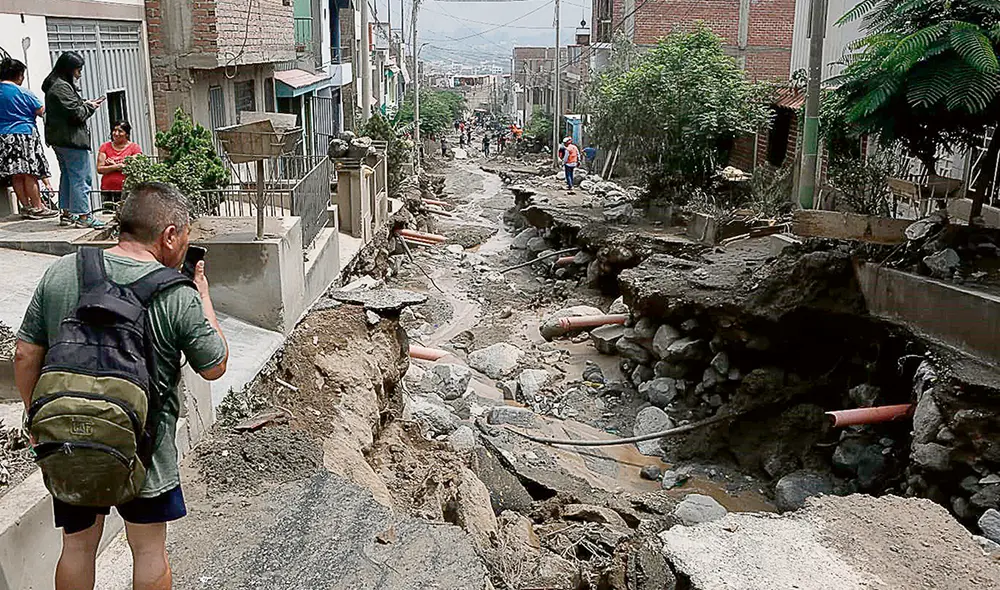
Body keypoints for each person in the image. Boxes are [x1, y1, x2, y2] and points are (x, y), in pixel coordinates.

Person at [14, 181, 228, 590]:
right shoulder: (177, 293)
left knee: (77, 546)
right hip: (144, 449)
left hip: (67, 438)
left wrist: (36, 418)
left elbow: (25, 354)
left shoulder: (63, 272)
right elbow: (215, 365)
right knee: (148, 550)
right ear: (169, 235)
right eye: (186, 236)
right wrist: (202, 295)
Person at [42, 51, 105, 229]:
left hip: (60, 140)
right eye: (78, 70)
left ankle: (67, 213)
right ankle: (84, 216)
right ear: (69, 69)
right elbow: (76, 114)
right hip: (71, 140)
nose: (79, 74)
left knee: (68, 177)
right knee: (81, 178)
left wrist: (84, 103)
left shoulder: (56, 84)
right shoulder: (61, 87)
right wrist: (90, 107)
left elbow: (69, 108)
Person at [0, 57, 57, 219]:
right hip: (24, 135)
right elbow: (42, 112)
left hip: (4, 136)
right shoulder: (24, 93)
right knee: (29, 173)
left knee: (16, 174)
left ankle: (25, 206)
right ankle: (38, 207)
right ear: (18, 75)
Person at [97, 120, 142, 203]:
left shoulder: (134, 148)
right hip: (108, 190)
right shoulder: (105, 147)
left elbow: (132, 168)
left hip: (127, 190)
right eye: (114, 130)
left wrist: (112, 165)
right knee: (108, 210)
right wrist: (117, 166)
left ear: (127, 134)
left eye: (120, 131)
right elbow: (100, 169)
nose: (116, 134)